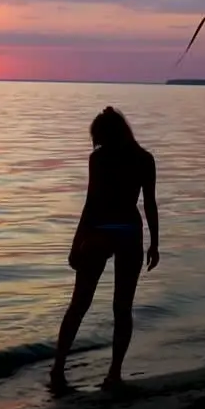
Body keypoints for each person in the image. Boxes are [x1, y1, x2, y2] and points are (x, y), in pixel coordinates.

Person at [50, 106, 160, 391]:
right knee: (122, 309)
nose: (96, 143)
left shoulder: (98, 159)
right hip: (129, 233)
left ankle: (58, 368)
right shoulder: (144, 159)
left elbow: (91, 203)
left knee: (79, 305)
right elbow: (149, 204)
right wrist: (155, 243)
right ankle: (114, 373)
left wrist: (76, 243)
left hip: (100, 231)